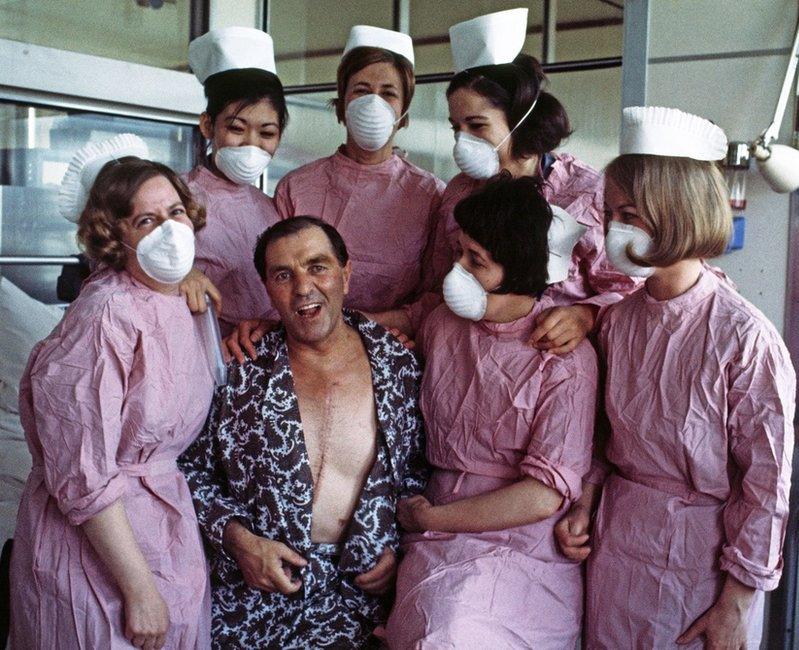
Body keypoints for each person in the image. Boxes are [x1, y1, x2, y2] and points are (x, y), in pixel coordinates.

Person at [554, 106, 797, 649]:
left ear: (676, 211)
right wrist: (585, 503)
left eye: (631, 215)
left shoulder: (744, 340)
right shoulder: (617, 322)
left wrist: (737, 602)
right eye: (612, 214)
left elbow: (766, 487)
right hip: (618, 548)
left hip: (702, 566)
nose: (615, 230)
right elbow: (601, 439)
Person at [179, 217, 427, 648]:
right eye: (283, 275)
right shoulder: (238, 370)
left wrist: (397, 552)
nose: (303, 288)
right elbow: (185, 470)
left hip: (358, 600)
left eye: (318, 266)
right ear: (267, 288)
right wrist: (240, 543)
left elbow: (416, 473)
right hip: (253, 596)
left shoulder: (398, 366)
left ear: (346, 274)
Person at [11, 136, 217, 649]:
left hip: (164, 524)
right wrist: (139, 586)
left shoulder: (179, 298)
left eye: (176, 212)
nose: (170, 232)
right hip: (99, 543)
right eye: (146, 222)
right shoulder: (104, 314)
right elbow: (82, 468)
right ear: (114, 236)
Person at [385, 177, 595, 648]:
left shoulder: (564, 358)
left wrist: (433, 520)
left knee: (454, 633)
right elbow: (398, 322)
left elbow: (543, 496)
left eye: (474, 261)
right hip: (433, 533)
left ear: (516, 267)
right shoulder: (443, 324)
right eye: (457, 253)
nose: (456, 269)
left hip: (523, 546)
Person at [401, 8, 636, 352]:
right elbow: (438, 287)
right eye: (457, 128)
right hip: (466, 359)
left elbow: (630, 291)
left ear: (519, 121)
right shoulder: (458, 194)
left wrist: (586, 315)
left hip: (556, 369)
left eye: (477, 126)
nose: (462, 141)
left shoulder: (584, 194)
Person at [273, 26, 445, 319]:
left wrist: (375, 327)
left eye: (388, 93)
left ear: (403, 116)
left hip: (398, 344)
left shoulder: (430, 195)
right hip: (308, 343)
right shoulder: (296, 188)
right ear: (341, 105)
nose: (373, 103)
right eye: (362, 91)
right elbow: (276, 277)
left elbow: (437, 292)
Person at [179, 26, 289, 335]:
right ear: (207, 125)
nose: (251, 144)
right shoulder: (173, 195)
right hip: (194, 352)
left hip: (261, 356)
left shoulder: (272, 210)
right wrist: (179, 275)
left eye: (266, 133)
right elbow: (116, 261)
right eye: (237, 128)